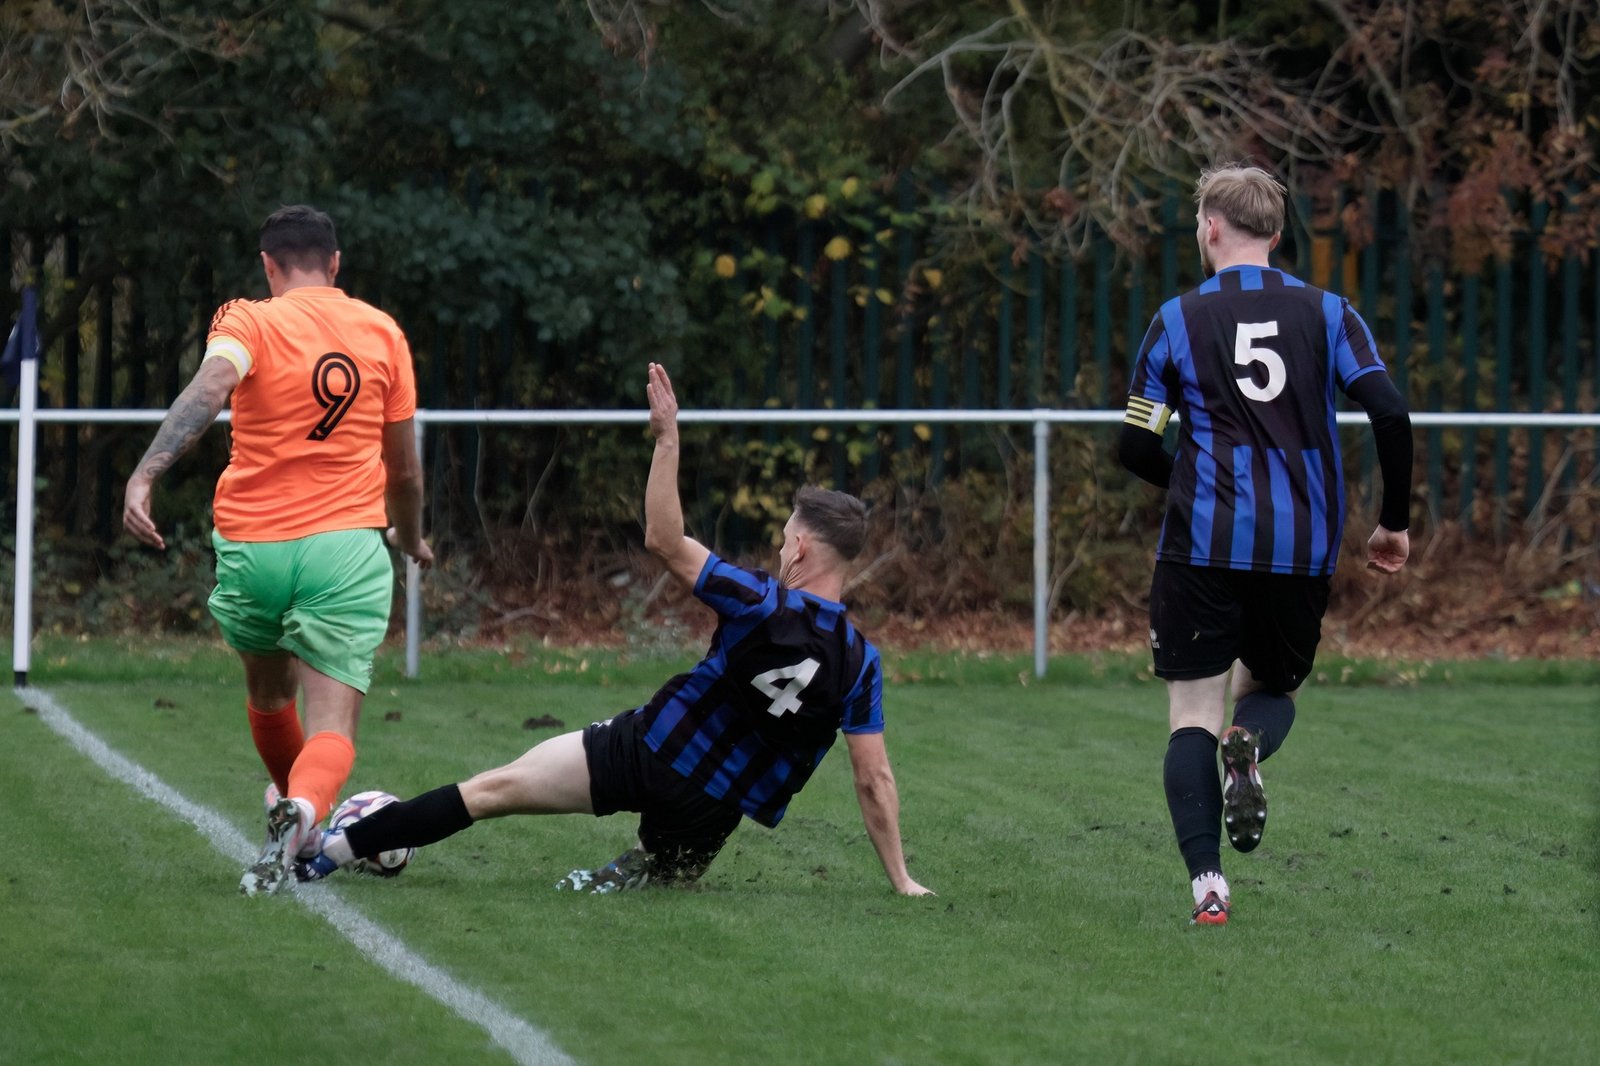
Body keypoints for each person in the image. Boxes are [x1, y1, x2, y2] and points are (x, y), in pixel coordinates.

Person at [298, 362, 933, 896]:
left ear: (802, 549)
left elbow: (664, 539)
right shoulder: (861, 664)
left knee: (491, 791)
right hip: (710, 812)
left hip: (647, 751)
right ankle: (619, 874)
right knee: (656, 877)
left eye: (786, 535)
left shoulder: (761, 602)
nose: (781, 544)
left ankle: (329, 853)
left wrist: (667, 440)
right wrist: (902, 879)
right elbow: (873, 779)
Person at [1118, 165, 1412, 926]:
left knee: (1191, 713)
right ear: (1276, 235)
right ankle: (1247, 740)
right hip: (1299, 544)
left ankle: (1208, 887)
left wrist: (1191, 483)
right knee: (1272, 691)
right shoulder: (1330, 313)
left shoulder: (1175, 319)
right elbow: (1389, 411)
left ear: (1210, 227)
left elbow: (1135, 445)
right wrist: (1393, 520)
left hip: (1201, 544)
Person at [123, 204, 433, 897]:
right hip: (344, 550)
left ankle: (301, 820)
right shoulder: (382, 331)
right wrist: (410, 538)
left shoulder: (247, 320)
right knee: (333, 722)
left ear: (268, 265)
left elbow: (209, 389)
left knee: (268, 696)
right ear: (336, 263)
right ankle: (306, 806)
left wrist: (145, 474)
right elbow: (406, 474)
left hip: (253, 548)